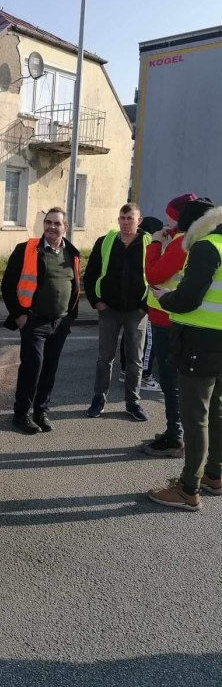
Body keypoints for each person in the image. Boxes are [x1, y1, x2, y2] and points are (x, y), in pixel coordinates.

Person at [148, 197, 222, 511]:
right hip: (216, 342)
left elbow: (189, 298)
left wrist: (165, 298)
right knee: (216, 413)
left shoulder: (205, 247)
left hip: (199, 343)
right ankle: (214, 476)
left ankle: (188, 489)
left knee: (196, 419)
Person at [1, 207, 80, 433]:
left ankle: (41, 411)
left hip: (61, 322)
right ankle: (21, 414)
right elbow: (7, 285)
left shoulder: (72, 253)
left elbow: (74, 285)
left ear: (65, 227)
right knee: (32, 367)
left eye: (57, 223)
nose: (51, 227)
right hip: (33, 321)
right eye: (48, 222)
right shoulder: (26, 249)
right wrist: (20, 316)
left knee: (50, 368)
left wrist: (70, 317)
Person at [140, 194, 197, 458]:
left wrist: (154, 243)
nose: (166, 219)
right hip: (173, 318)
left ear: (180, 216)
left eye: (170, 214)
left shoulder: (180, 242)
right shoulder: (190, 239)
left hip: (167, 319)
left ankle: (175, 439)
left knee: (170, 383)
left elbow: (153, 274)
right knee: (174, 383)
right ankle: (175, 433)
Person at [84, 203, 151, 421]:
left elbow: (158, 277)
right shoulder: (106, 242)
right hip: (109, 310)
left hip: (137, 311)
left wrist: (145, 306)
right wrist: (97, 302)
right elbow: (91, 273)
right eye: (122, 218)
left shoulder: (150, 243)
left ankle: (133, 402)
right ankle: (98, 399)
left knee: (135, 360)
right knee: (104, 358)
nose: (125, 222)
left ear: (139, 221)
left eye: (130, 218)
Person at [118, 216, 164, 392]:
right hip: (146, 302)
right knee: (147, 340)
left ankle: (124, 370)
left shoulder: (133, 245)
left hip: (133, 302)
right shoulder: (149, 248)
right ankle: (144, 376)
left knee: (130, 338)